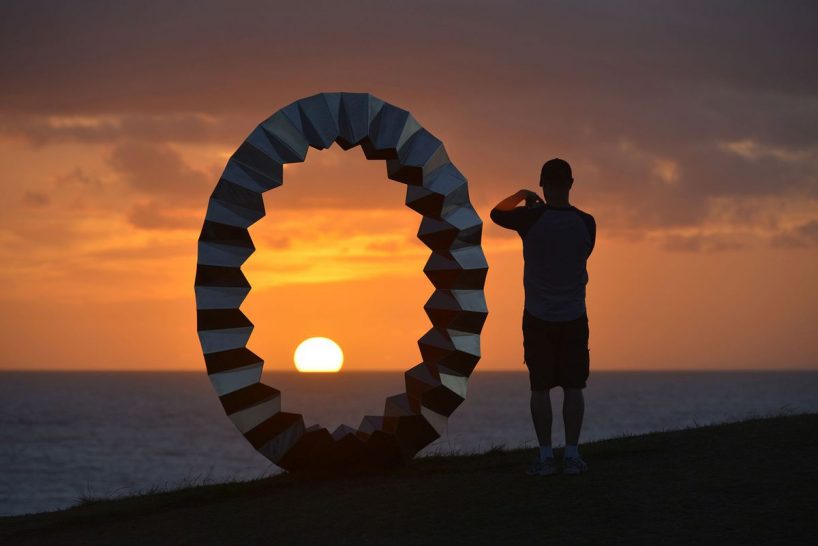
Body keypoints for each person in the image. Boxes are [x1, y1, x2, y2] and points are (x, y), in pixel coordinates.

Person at [490, 158, 596, 476]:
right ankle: (573, 454)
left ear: (543, 185)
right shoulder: (587, 222)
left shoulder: (530, 219)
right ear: (571, 184)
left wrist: (523, 195)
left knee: (540, 387)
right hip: (575, 314)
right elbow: (585, 252)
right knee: (574, 387)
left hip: (537, 315)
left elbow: (496, 213)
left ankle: (546, 456)